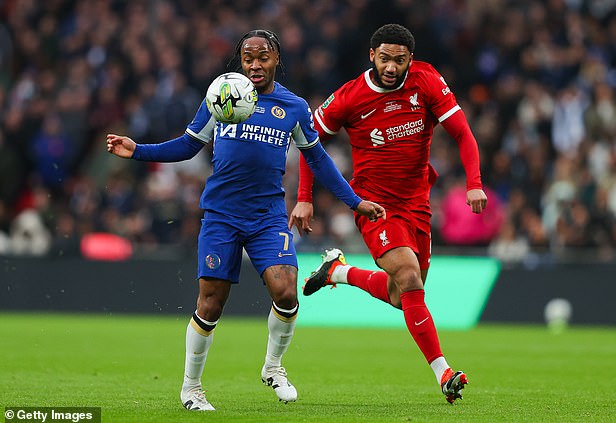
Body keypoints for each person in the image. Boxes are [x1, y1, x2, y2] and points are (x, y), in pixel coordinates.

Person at [107, 29, 385, 411]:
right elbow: (188, 145)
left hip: (268, 215)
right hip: (221, 214)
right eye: (248, 58)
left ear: (276, 60)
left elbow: (317, 158)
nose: (255, 64)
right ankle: (191, 388)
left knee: (287, 292)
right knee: (211, 304)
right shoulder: (221, 95)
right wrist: (138, 150)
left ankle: (273, 367)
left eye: (263, 57)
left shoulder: (294, 107)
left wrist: (354, 202)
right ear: (241, 61)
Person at [289, 24, 487, 404]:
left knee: (403, 295)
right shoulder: (350, 96)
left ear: (410, 58)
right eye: (385, 59)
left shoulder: (427, 80)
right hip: (373, 203)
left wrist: (474, 182)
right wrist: (304, 197)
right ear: (372, 56)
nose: (392, 67)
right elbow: (309, 142)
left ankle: (338, 271)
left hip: (418, 202)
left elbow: (463, 133)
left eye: (399, 60)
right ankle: (443, 372)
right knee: (410, 277)